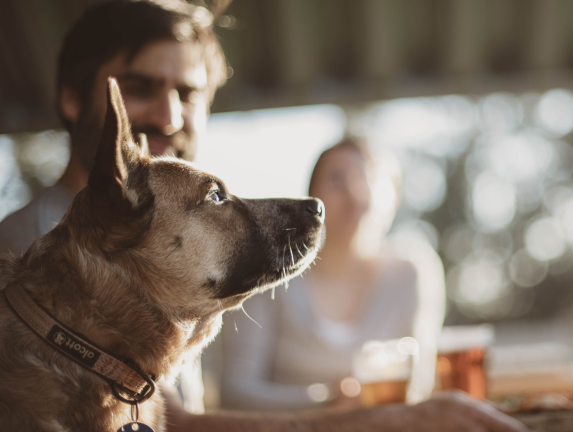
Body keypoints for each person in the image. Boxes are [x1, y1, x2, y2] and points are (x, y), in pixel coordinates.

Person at [0, 1, 527, 431]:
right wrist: (386, 422)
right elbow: (173, 423)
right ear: (70, 98)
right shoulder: (35, 256)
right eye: (139, 88)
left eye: (189, 93)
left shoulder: (167, 256)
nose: (170, 115)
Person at [221, 138, 445, 410]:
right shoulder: (269, 276)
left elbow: (420, 384)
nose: (354, 192)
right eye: (337, 180)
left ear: (394, 194)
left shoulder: (412, 272)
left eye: (368, 178)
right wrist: (329, 401)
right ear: (313, 201)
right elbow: (234, 393)